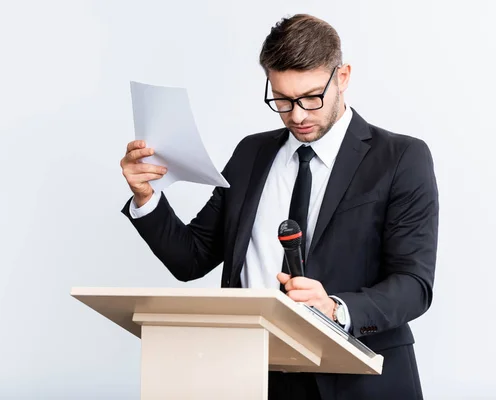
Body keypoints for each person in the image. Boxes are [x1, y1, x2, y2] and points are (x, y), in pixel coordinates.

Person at [119, 13, 438, 400]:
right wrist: (145, 198)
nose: (298, 115)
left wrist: (337, 309)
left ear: (343, 77)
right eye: (282, 100)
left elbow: (413, 284)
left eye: (311, 98)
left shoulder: (401, 157)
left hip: (361, 381)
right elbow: (192, 258)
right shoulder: (251, 153)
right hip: (255, 377)